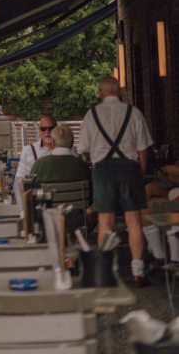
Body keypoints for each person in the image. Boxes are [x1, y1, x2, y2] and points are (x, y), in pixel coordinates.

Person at [78, 75, 153, 287]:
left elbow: (83, 147)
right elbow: (142, 149)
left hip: (103, 171)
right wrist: (140, 173)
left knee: (105, 223)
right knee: (133, 221)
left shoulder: (91, 115)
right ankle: (138, 273)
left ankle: (106, 272)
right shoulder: (134, 112)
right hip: (130, 169)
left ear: (100, 93)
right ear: (120, 92)